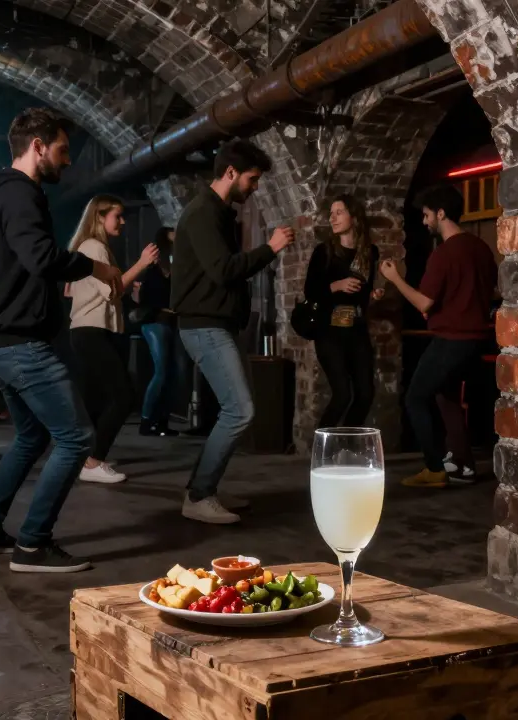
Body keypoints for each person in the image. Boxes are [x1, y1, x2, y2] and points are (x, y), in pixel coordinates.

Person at [0, 107, 122, 572]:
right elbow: (40, 256)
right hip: (19, 343)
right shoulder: (19, 194)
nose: (67, 160)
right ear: (37, 147)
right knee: (76, 438)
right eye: (62, 149)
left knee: (31, 436)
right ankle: (32, 544)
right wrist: (94, 265)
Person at [171, 138, 294, 524]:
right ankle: (200, 495)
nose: (254, 187)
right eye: (252, 179)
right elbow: (223, 270)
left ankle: (201, 489)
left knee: (233, 409)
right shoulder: (204, 213)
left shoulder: (220, 213)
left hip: (215, 324)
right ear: (230, 173)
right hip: (204, 326)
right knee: (240, 410)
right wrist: (270, 248)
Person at [379, 185, 496, 487]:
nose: (424, 221)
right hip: (477, 340)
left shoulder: (443, 254)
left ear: (441, 213)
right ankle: (462, 463)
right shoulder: (481, 248)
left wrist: (395, 279)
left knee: (415, 398)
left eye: (427, 215)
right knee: (446, 398)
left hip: (450, 342)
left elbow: (424, 302)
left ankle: (434, 468)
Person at [66, 195, 160, 483]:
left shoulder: (90, 247)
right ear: (99, 217)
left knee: (95, 399)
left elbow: (69, 291)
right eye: (117, 216)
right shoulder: (94, 247)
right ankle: (94, 461)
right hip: (91, 331)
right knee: (122, 396)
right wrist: (142, 263)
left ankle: (85, 458)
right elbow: (113, 289)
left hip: (89, 331)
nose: (122, 221)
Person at [304, 195, 386, 428]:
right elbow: (310, 291)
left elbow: (365, 290)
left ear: (354, 216)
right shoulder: (325, 252)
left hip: (357, 330)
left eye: (339, 212)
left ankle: (346, 446)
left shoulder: (369, 252)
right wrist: (336, 285)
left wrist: (373, 295)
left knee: (365, 394)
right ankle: (322, 451)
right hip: (329, 331)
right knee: (342, 395)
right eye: (331, 213)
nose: (332, 218)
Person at [134, 226, 181, 437]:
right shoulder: (153, 268)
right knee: (161, 371)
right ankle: (146, 420)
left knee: (173, 374)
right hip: (155, 322)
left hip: (172, 322)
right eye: (171, 241)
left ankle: (162, 422)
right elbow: (142, 297)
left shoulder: (176, 269)